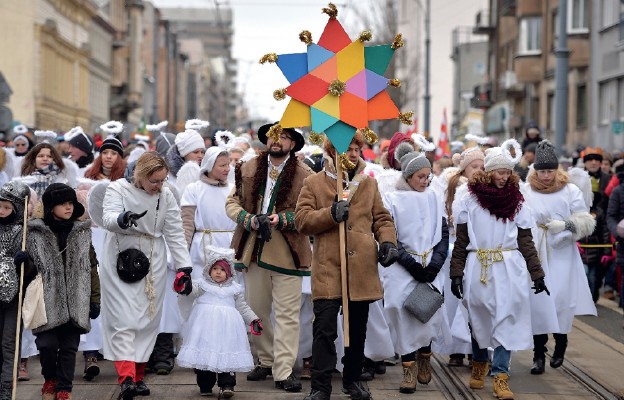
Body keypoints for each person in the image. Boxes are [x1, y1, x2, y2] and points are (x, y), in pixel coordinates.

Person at [295, 132, 398, 400]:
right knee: (325, 329)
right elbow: (302, 221)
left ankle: (353, 381)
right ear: (332, 152)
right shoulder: (313, 183)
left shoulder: (368, 184)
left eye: (356, 149)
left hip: (362, 267)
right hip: (329, 266)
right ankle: (320, 386)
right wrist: (330, 214)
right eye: (347, 149)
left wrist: (388, 242)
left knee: (357, 330)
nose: (353, 154)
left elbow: (382, 219)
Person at [450, 139, 549, 400]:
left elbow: (526, 241)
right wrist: (456, 273)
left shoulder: (518, 202)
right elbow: (461, 241)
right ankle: (480, 361)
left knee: (506, 318)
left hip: (508, 267)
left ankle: (501, 375)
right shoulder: (470, 201)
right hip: (478, 265)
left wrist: (537, 274)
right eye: (499, 172)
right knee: (479, 319)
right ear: (489, 172)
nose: (504, 177)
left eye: (507, 172)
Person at [225, 123, 312, 393]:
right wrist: (248, 219)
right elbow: (231, 203)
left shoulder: (306, 174)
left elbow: (310, 212)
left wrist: (282, 218)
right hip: (253, 249)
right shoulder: (248, 168)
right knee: (256, 310)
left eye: (284, 137)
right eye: (274, 136)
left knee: (287, 314)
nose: (277, 140)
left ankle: (284, 371)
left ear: (293, 144)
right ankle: (266, 359)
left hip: (289, 251)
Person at [100, 152, 192, 399]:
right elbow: (107, 217)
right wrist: (122, 219)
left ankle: (138, 377)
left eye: (162, 181)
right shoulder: (118, 189)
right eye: (154, 181)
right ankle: (127, 377)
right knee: (123, 320)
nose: (159, 186)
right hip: (120, 256)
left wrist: (185, 267)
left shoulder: (166, 194)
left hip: (153, 260)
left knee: (147, 320)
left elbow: (174, 230)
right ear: (140, 175)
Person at [523, 140, 597, 375]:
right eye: (542, 171)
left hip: (562, 250)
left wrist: (564, 225)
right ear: (535, 170)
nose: (546, 176)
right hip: (536, 249)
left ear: (557, 170)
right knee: (538, 301)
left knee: (561, 300)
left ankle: (561, 343)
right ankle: (538, 354)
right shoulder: (527, 189)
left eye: (550, 171)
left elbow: (585, 220)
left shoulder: (570, 190)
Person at [26, 183, 100, 400]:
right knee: (46, 345)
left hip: (76, 298)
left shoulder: (81, 232)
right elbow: (29, 272)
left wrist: (95, 299)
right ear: (50, 206)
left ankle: (64, 389)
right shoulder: (34, 233)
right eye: (62, 203)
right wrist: (24, 262)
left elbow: (91, 267)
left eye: (71, 203)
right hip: (45, 301)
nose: (68, 207)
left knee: (69, 347)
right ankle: (50, 378)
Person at [385, 150, 449, 394]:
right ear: (409, 177)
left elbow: (443, 233)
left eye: (428, 176)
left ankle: (425, 354)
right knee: (403, 316)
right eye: (420, 176)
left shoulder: (434, 197)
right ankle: (408, 368)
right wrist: (409, 263)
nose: (425, 181)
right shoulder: (392, 199)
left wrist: (435, 263)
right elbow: (390, 235)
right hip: (404, 267)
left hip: (430, 264)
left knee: (427, 311)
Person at [174, 247, 263, 398]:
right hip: (205, 328)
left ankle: (227, 384)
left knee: (227, 355)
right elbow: (189, 290)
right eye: (214, 268)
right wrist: (183, 284)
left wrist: (253, 319)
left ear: (229, 272)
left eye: (222, 269)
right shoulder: (202, 285)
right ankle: (205, 385)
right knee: (205, 355)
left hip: (228, 329)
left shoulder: (234, 289)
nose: (218, 272)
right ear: (208, 269)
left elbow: (243, 307)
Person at [431, 146, 485, 367]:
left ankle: (474, 349)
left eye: (482, 166)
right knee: (453, 301)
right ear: (464, 170)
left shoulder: (485, 189)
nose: (479, 170)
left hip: (476, 251)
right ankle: (456, 349)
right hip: (455, 250)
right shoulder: (454, 188)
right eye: (474, 166)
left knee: (472, 302)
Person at [0, 182, 36, 399]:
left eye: (6, 207)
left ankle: (5, 387)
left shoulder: (22, 232)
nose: (2, 211)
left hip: (14, 295)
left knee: (9, 342)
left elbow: (31, 270)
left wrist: (25, 261)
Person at [578, 147, 612, 302]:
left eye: (596, 159)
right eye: (590, 159)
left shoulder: (607, 179)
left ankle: (595, 293)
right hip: (582, 221)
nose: (593, 162)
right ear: (585, 162)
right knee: (584, 271)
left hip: (602, 224)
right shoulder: (577, 177)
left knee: (598, 272)